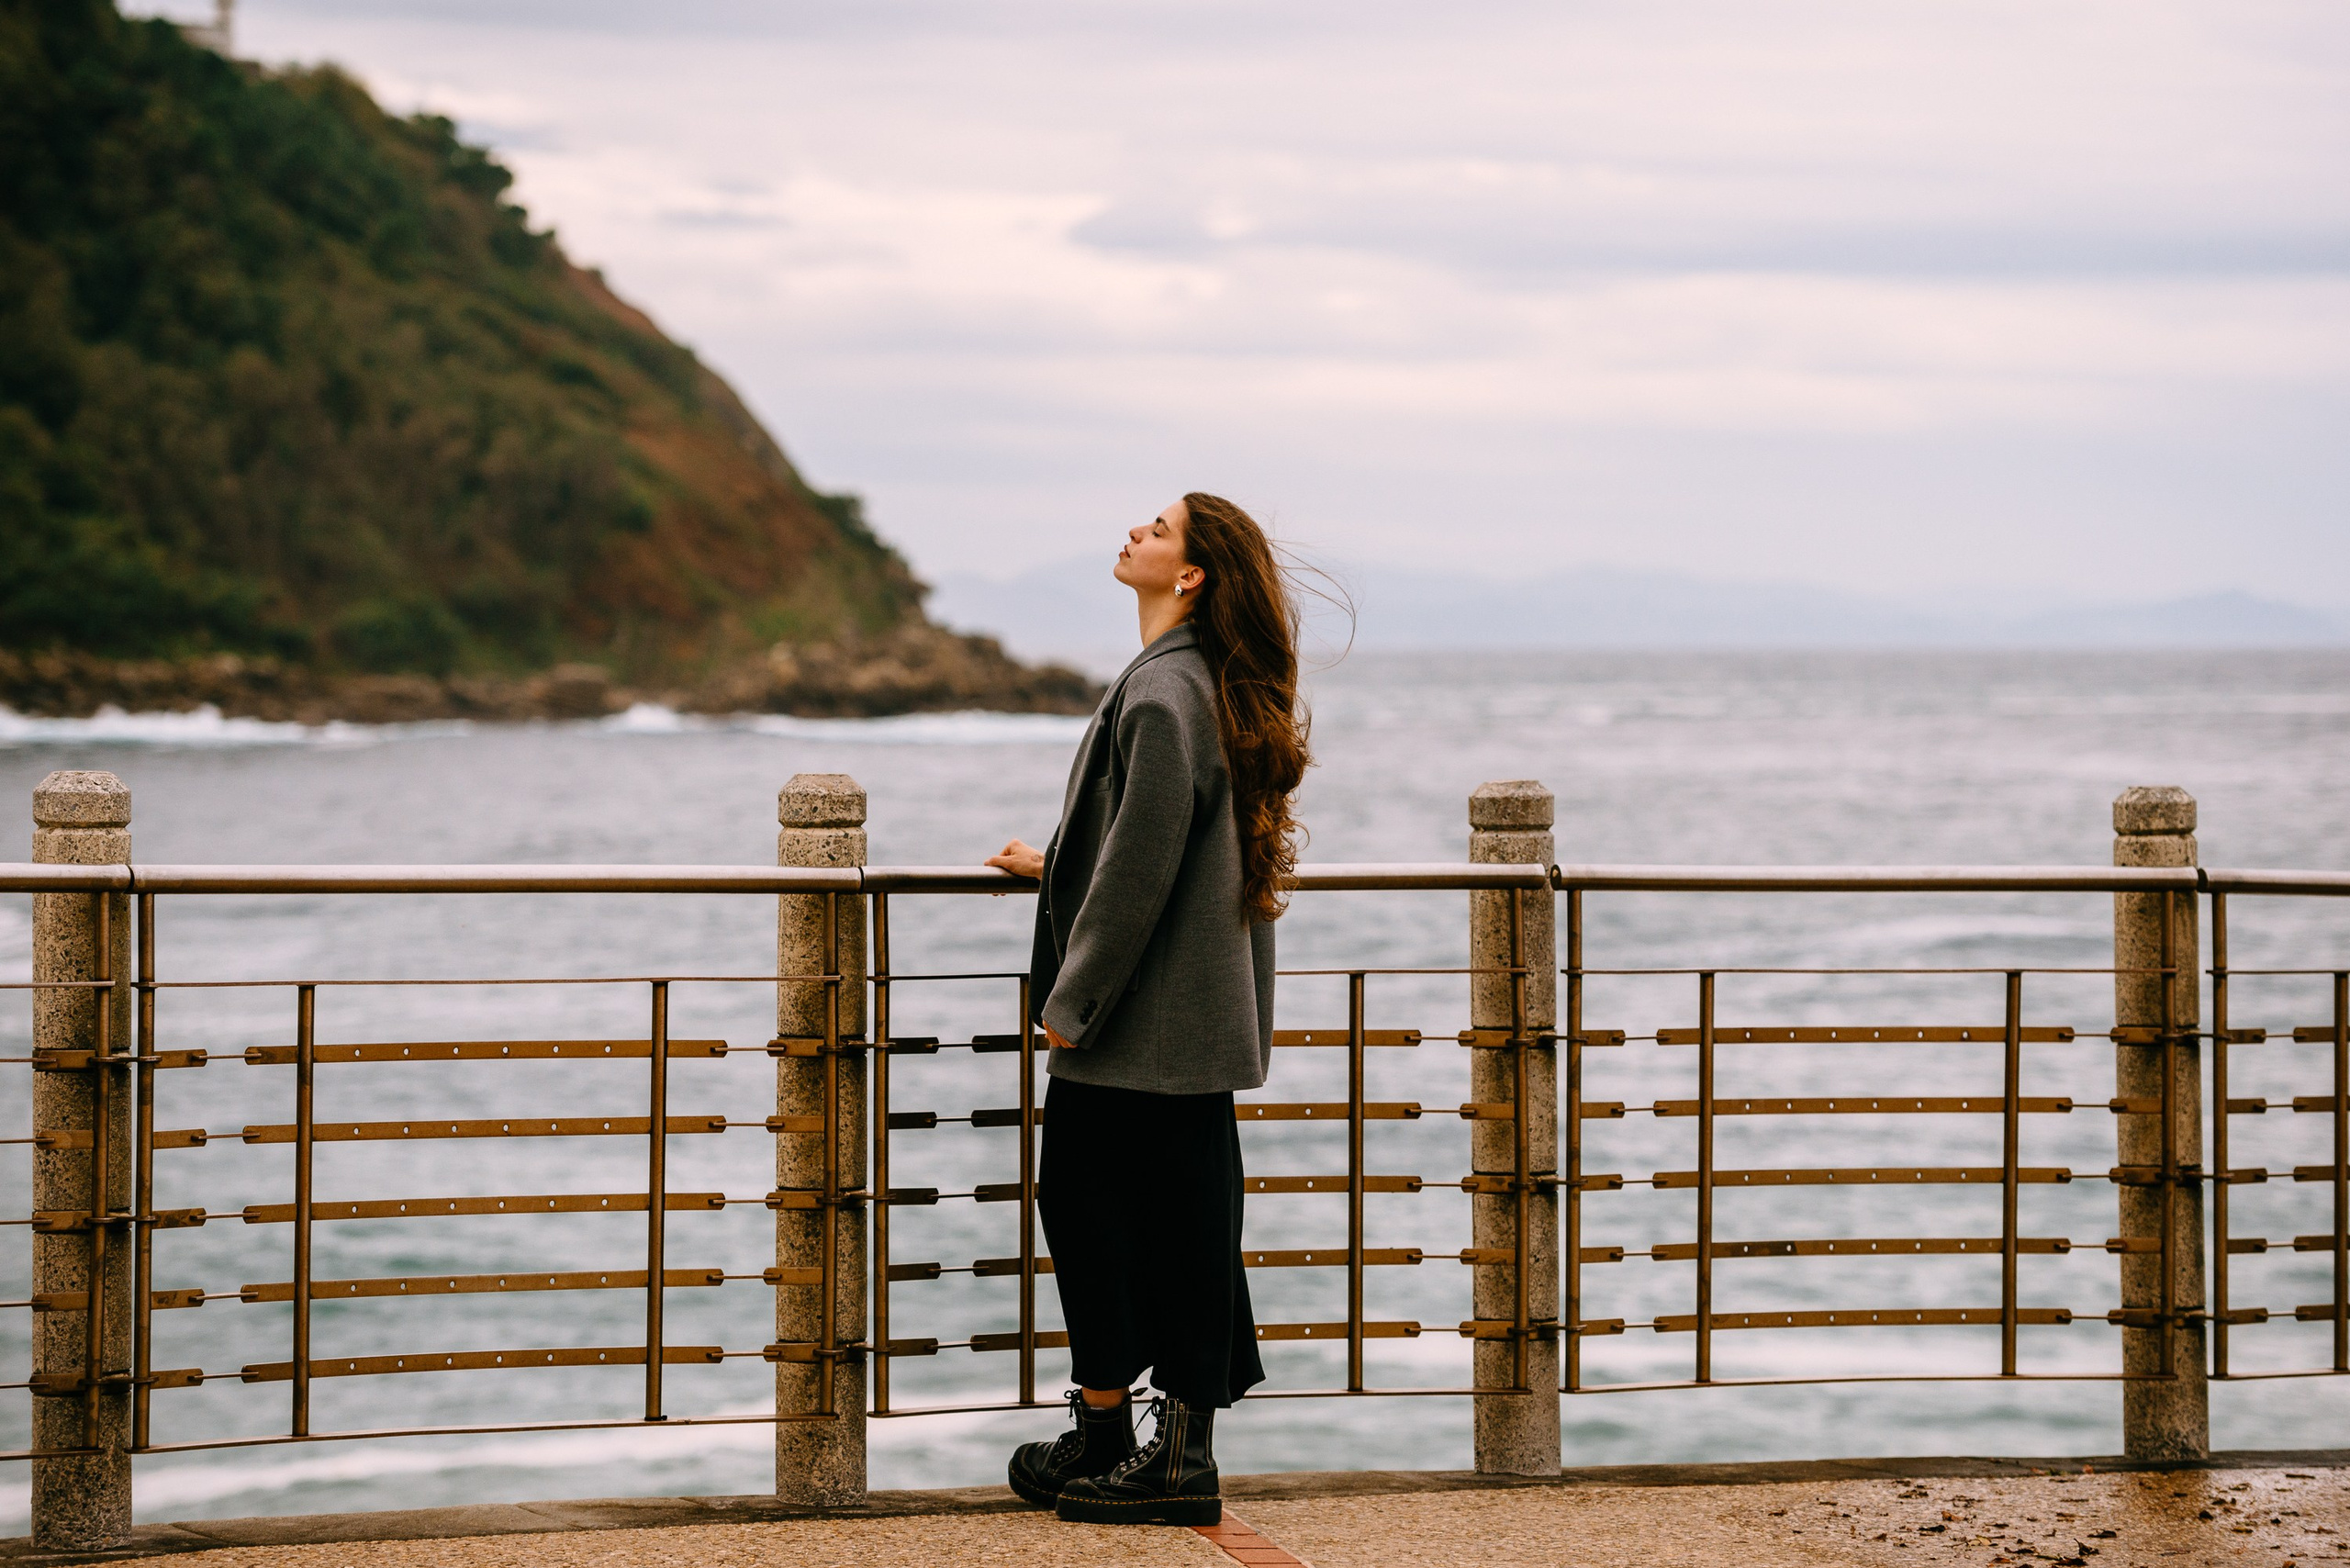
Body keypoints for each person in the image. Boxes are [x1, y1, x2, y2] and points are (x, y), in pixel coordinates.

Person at [983, 492, 1312, 1527]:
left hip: (1144, 1023)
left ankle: (1157, 1450)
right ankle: (1122, 1438)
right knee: (1172, 1219)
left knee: (1099, 1213)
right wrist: (1056, 865)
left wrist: (1069, 999)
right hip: (1182, 1020)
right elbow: (1147, 838)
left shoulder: (1166, 693)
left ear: (1192, 574)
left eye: (1157, 529)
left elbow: (1140, 867)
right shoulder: (1197, 684)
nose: (1133, 532)